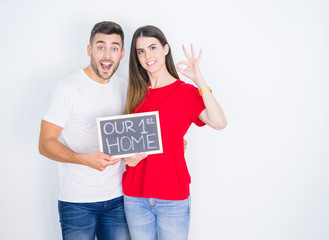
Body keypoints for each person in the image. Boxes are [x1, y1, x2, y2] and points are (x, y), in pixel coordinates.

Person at [38, 21, 146, 240]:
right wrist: (82, 159)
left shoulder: (125, 87)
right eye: (100, 47)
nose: (107, 55)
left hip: (117, 197)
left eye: (114, 48)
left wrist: (168, 140)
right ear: (89, 50)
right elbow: (45, 143)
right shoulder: (66, 89)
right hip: (77, 201)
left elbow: (131, 135)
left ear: (122, 53)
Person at [122, 25, 227, 240]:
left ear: (165, 49)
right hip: (135, 196)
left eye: (152, 48)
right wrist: (126, 157)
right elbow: (124, 142)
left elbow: (219, 122)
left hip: (172, 196)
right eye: (140, 51)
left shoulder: (185, 92)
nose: (147, 56)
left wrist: (198, 79)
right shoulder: (133, 92)